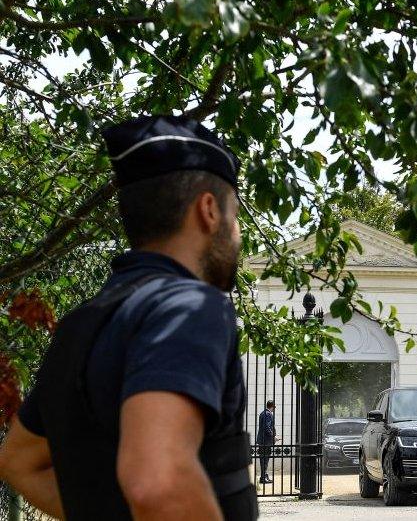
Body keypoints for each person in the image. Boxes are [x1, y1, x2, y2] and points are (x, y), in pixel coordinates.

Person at [0, 116, 259, 520]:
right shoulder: (187, 305)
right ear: (209, 210)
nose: (238, 234)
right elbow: (158, 483)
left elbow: (20, 462)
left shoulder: (81, 324)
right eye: (236, 216)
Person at [257, 400, 276, 484]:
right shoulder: (268, 414)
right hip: (266, 441)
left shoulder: (262, 413)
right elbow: (267, 427)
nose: (274, 409)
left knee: (263, 459)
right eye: (274, 407)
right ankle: (263, 477)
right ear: (272, 406)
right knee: (265, 459)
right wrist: (273, 437)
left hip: (262, 440)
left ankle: (264, 475)